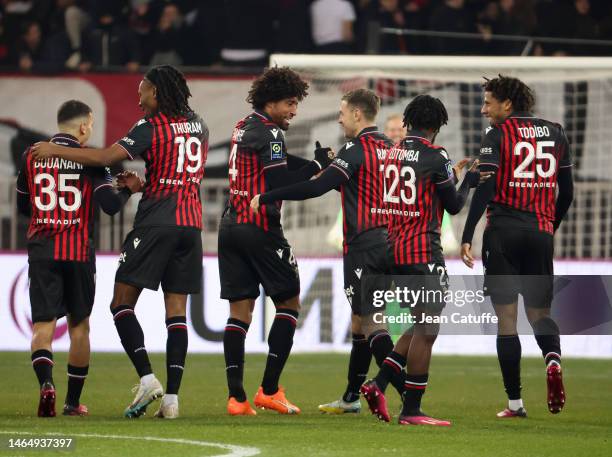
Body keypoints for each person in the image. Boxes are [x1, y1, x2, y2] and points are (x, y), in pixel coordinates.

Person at [31, 65, 208, 419]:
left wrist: (56, 150)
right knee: (177, 313)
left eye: (143, 91)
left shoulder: (150, 126)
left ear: (156, 92)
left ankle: (146, 378)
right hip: (191, 224)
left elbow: (103, 158)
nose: (139, 99)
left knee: (121, 304)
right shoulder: (200, 124)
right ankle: (172, 400)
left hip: (157, 220)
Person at [250, 88, 408, 415]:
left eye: (342, 111)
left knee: (371, 321)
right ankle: (352, 396)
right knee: (359, 320)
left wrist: (268, 195)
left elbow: (315, 187)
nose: (338, 117)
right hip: (392, 243)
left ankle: (407, 395)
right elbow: (357, 184)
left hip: (364, 246)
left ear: (356, 115)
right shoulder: (392, 149)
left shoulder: (355, 149)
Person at [359, 95, 483, 426]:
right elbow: (454, 205)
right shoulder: (435, 155)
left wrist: (450, 177)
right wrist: (468, 181)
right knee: (427, 330)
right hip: (422, 253)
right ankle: (411, 410)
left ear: (409, 122)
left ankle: (379, 383)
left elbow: (422, 192)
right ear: (436, 126)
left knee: (418, 324)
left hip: (393, 250)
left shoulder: (391, 153)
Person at [219, 66, 333, 416]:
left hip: (230, 227)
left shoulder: (243, 126)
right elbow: (281, 180)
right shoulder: (270, 134)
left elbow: (280, 163)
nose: (294, 110)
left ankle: (236, 399)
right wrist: (317, 170)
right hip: (261, 229)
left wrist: (314, 163)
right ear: (271, 101)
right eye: (289, 103)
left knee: (240, 312)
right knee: (289, 304)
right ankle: (269, 389)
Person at [16, 99, 141, 417]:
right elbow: (110, 206)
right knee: (79, 327)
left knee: (43, 325)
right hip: (77, 252)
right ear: (84, 126)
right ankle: (72, 402)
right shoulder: (92, 160)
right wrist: (129, 190)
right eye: (91, 124)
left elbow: (22, 206)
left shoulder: (31, 155)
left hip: (42, 250)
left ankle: (46, 385)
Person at [461, 75, 574, 417]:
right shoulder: (556, 131)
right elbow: (566, 191)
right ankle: (552, 360)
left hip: (503, 234)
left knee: (507, 320)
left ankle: (515, 403)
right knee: (540, 314)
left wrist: (468, 233)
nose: (483, 110)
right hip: (540, 233)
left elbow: (486, 183)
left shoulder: (497, 135)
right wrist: (548, 227)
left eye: (488, 103)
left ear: (507, 105)